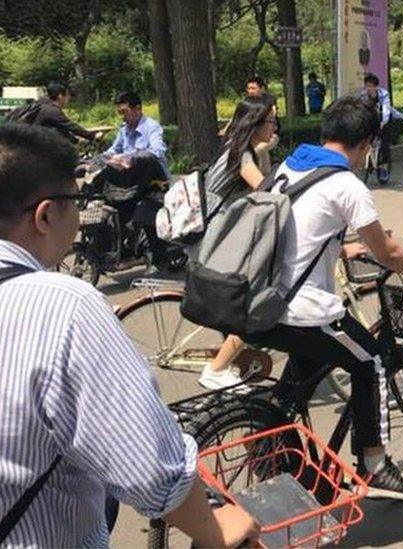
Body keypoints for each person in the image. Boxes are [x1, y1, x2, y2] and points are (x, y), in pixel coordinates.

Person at [0, 124, 259, 547]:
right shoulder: (63, 305)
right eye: (77, 202)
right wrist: (213, 532)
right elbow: (149, 467)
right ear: (46, 215)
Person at [244, 96, 403, 499]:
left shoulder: (291, 166)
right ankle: (375, 464)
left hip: (265, 304)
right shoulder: (346, 184)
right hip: (305, 309)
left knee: (303, 370)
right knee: (372, 360)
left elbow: (299, 230)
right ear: (367, 143)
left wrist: (341, 247)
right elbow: (388, 253)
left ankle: (268, 437)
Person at [197, 93, 281, 390]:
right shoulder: (241, 153)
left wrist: (263, 150)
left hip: (221, 233)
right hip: (215, 238)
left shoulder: (242, 148)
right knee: (252, 302)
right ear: (256, 122)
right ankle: (217, 369)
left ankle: (232, 357)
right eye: (271, 120)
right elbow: (264, 188)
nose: (275, 125)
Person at [98, 91, 171, 270]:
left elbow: (157, 152)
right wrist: (96, 160)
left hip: (155, 181)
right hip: (131, 184)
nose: (122, 117)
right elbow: (113, 150)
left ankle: (158, 256)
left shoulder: (151, 127)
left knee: (145, 212)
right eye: (119, 113)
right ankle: (121, 250)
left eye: (124, 112)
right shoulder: (124, 130)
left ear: (138, 109)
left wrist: (131, 157)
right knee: (111, 207)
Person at [359, 72, 403, 185]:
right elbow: (360, 110)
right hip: (371, 120)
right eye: (367, 85)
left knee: (384, 145)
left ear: (376, 86)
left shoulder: (383, 94)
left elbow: (386, 109)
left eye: (371, 86)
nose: (369, 88)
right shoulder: (363, 96)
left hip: (384, 120)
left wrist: (383, 122)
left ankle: (383, 167)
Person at [29, 83, 104, 143]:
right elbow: (72, 127)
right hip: (40, 148)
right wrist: (93, 136)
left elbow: (60, 129)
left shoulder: (40, 105)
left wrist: (75, 140)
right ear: (60, 96)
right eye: (67, 95)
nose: (69, 98)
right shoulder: (52, 111)